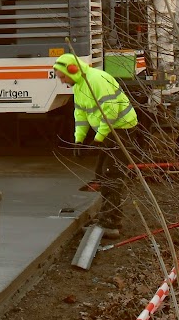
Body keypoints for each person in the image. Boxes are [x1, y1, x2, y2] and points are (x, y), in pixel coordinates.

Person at [52, 53, 139, 239]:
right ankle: (106, 217)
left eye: (63, 77)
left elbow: (111, 111)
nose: (62, 81)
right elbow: (81, 114)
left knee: (112, 175)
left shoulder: (96, 80)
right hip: (110, 131)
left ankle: (111, 223)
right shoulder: (79, 86)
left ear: (72, 70)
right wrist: (79, 140)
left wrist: (99, 138)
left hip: (120, 130)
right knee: (102, 174)